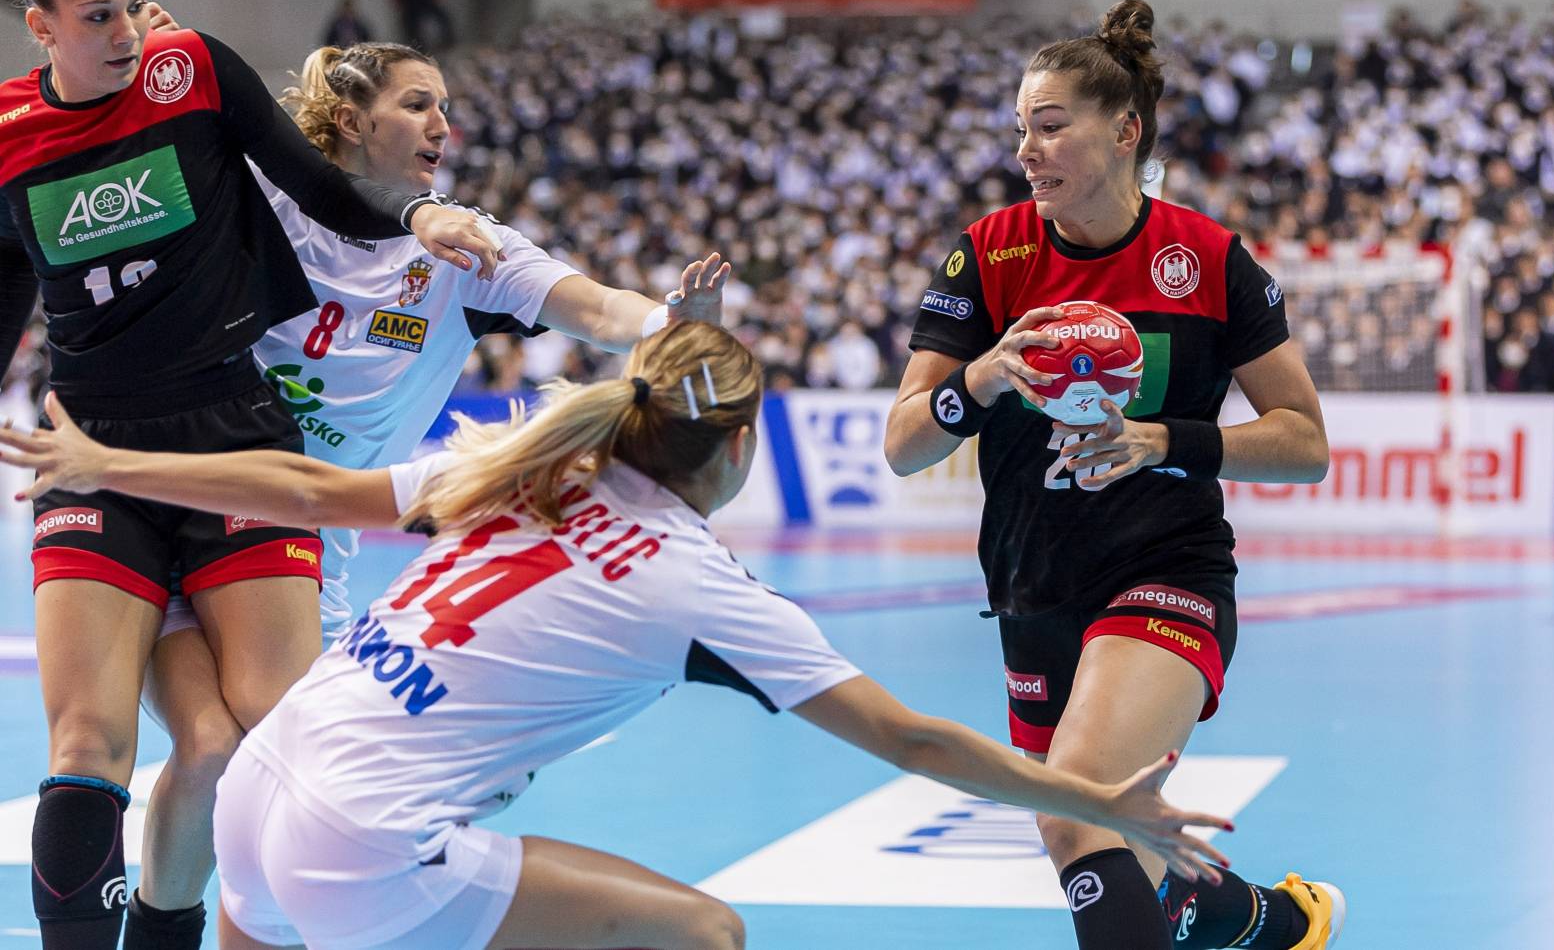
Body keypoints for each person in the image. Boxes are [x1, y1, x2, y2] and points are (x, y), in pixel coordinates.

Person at [0, 321, 1234, 950]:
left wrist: (112, 465)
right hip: (362, 837)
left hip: (260, 801)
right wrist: (1105, 806)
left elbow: (315, 493)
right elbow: (909, 736)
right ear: (741, 448)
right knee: (706, 934)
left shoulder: (526, 469)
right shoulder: (698, 582)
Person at [139, 38, 731, 942]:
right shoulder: (262, 204)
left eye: (445, 107)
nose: (442, 125)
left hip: (301, 550)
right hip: (181, 502)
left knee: (237, 762)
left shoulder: (461, 243)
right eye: (418, 104)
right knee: (224, 753)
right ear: (351, 119)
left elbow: (598, 309)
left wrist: (668, 324)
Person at [0, 0, 499, 950]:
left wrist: (420, 216)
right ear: (41, 29)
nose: (130, 31)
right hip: (93, 455)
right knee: (87, 737)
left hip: (237, 442)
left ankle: (188, 926)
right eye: (99, 16)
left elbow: (325, 189)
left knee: (270, 735)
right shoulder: (8, 138)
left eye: (136, 3)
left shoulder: (193, 71)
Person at [885, 0, 1343, 950]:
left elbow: (1305, 441)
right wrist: (983, 375)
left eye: (1051, 127)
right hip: (1029, 583)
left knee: (1077, 808)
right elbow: (905, 443)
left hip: (1165, 569)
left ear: (1125, 130)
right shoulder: (991, 253)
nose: (1028, 150)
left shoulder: (1208, 259)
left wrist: (1163, 441)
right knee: (1112, 844)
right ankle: (1266, 921)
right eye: (1021, 130)